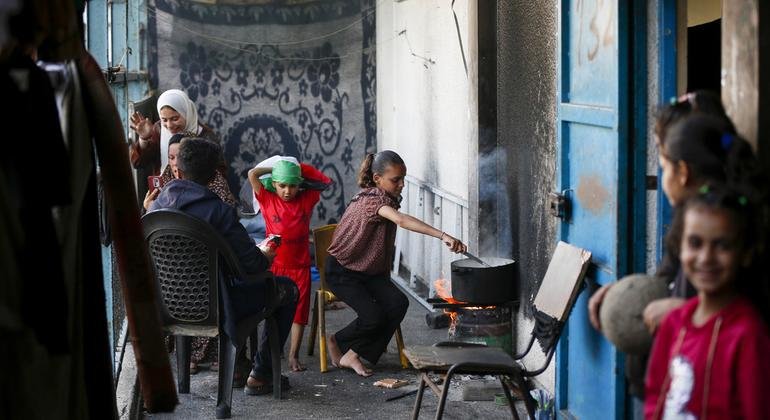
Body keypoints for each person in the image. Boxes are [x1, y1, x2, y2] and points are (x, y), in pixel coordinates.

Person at [587, 94, 760, 399]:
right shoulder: (687, 218)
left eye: (663, 163)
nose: (704, 256)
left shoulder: (734, 226)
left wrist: (684, 313)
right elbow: (667, 282)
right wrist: (624, 295)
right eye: (694, 244)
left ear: (683, 172)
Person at [148, 137, 298, 395]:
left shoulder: (156, 207)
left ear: (178, 170)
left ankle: (228, 370)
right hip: (218, 306)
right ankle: (261, 374)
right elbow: (252, 265)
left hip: (169, 305)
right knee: (287, 288)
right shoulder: (219, 212)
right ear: (213, 175)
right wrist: (265, 254)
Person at [324, 151, 467, 377]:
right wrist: (443, 235)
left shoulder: (386, 198)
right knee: (373, 317)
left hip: (369, 272)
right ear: (377, 178)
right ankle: (338, 341)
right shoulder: (371, 200)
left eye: (403, 179)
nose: (401, 184)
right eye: (395, 180)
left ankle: (353, 352)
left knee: (398, 303)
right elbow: (401, 220)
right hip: (343, 272)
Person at [644, 186, 770, 419]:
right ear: (680, 248)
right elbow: (655, 396)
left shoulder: (747, 334)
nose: (706, 258)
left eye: (722, 246)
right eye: (695, 243)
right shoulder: (673, 323)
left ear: (746, 253)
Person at [247, 155, 332, 372]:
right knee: (271, 309)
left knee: (299, 313)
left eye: (293, 185)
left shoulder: (306, 199)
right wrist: (276, 167)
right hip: (274, 265)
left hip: (301, 267)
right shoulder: (267, 198)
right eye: (282, 185)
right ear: (273, 184)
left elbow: (324, 180)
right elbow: (252, 174)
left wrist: (295, 168)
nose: (287, 191)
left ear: (300, 185)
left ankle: (294, 355)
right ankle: (273, 349)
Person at [130, 89, 236, 206]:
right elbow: (138, 163)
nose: (169, 125)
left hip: (198, 198)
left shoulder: (205, 136)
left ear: (186, 113)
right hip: (163, 197)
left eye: (175, 119)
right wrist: (144, 139)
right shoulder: (159, 130)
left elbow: (219, 173)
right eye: (164, 120)